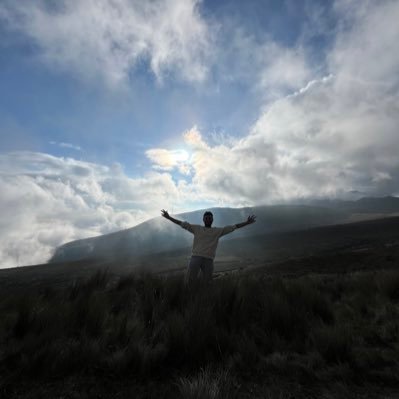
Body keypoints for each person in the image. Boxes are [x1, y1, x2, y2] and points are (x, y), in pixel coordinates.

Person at [161, 209, 256, 283]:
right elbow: (182, 224)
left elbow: (233, 227)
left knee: (207, 281)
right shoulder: (197, 228)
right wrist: (169, 217)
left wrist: (247, 222)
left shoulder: (218, 231)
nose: (208, 219)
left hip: (209, 259)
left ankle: (204, 297)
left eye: (210, 218)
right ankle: (188, 296)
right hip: (196, 257)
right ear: (203, 219)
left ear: (212, 220)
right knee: (190, 280)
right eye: (206, 218)